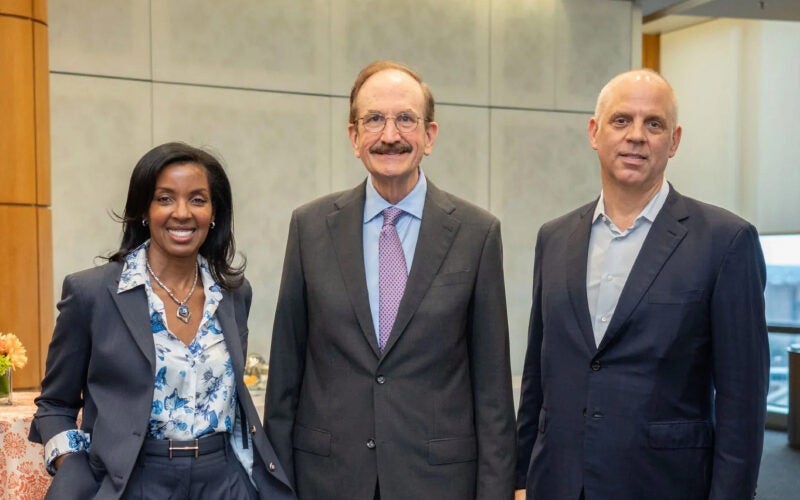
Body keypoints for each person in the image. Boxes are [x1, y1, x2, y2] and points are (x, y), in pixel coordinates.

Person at [265, 60, 516, 500]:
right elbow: (285, 376)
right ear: (353, 136)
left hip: (438, 482)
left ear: (430, 135)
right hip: (328, 479)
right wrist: (277, 486)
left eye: (406, 119)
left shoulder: (478, 234)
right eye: (374, 119)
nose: (390, 135)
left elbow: (493, 390)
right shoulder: (310, 227)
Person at [515, 69, 769, 499]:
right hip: (556, 483)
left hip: (663, 484)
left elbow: (741, 403)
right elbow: (537, 376)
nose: (636, 136)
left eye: (654, 124)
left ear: (674, 141)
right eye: (621, 120)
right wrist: (520, 480)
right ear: (594, 132)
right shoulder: (554, 238)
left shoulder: (725, 241)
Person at [30, 142, 295, 499]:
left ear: (214, 213)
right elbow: (55, 406)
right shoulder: (92, 293)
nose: (182, 213)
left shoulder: (233, 293)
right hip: (134, 481)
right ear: (144, 210)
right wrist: (76, 471)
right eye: (165, 198)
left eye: (198, 199)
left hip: (224, 481)